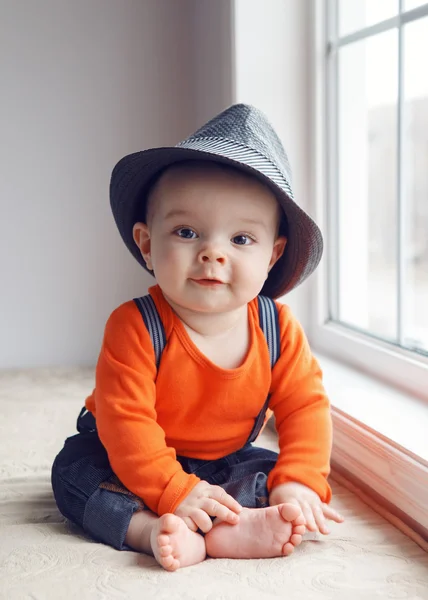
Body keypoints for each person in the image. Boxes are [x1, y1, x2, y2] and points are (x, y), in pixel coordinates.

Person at [51, 104, 344, 572]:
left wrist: (301, 481)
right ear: (148, 244)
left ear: (273, 255)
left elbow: (305, 407)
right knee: (74, 475)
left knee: (270, 473)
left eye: (242, 239)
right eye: (187, 232)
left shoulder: (277, 328)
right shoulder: (135, 326)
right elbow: (127, 425)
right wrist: (174, 490)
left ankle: (229, 526)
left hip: (224, 461)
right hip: (131, 456)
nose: (212, 253)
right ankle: (148, 529)